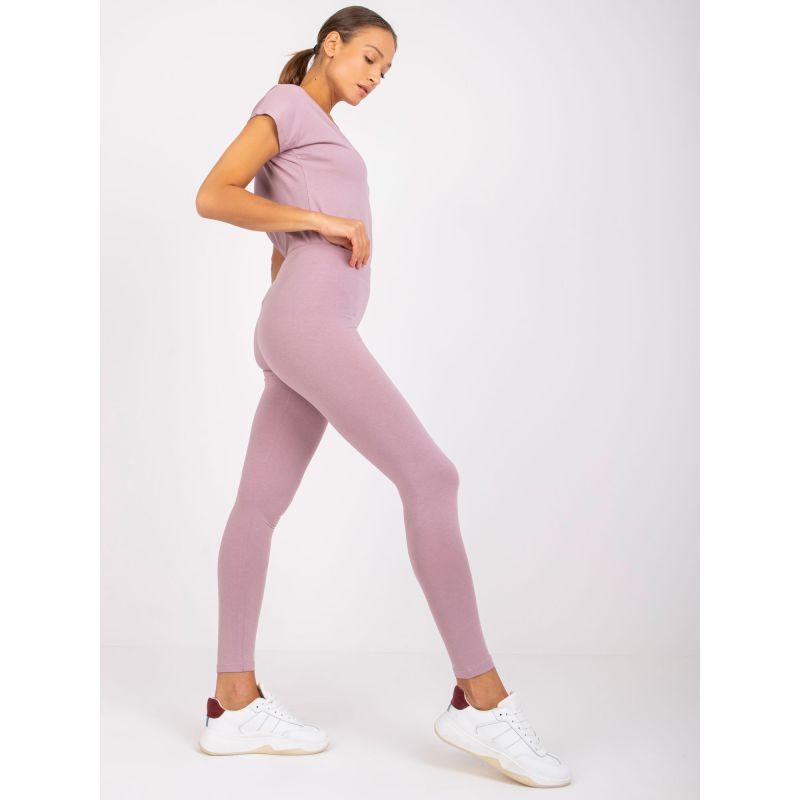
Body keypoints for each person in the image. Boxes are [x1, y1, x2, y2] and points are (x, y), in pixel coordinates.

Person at [193, 5, 570, 787]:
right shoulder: (288, 103)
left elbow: (279, 238)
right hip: (309, 326)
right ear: (330, 45)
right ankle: (480, 699)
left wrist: (290, 287)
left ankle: (233, 704)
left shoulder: (318, 128)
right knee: (432, 477)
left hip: (299, 325)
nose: (376, 76)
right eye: (368, 57)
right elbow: (214, 193)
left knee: (257, 507)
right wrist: (320, 228)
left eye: (386, 69)